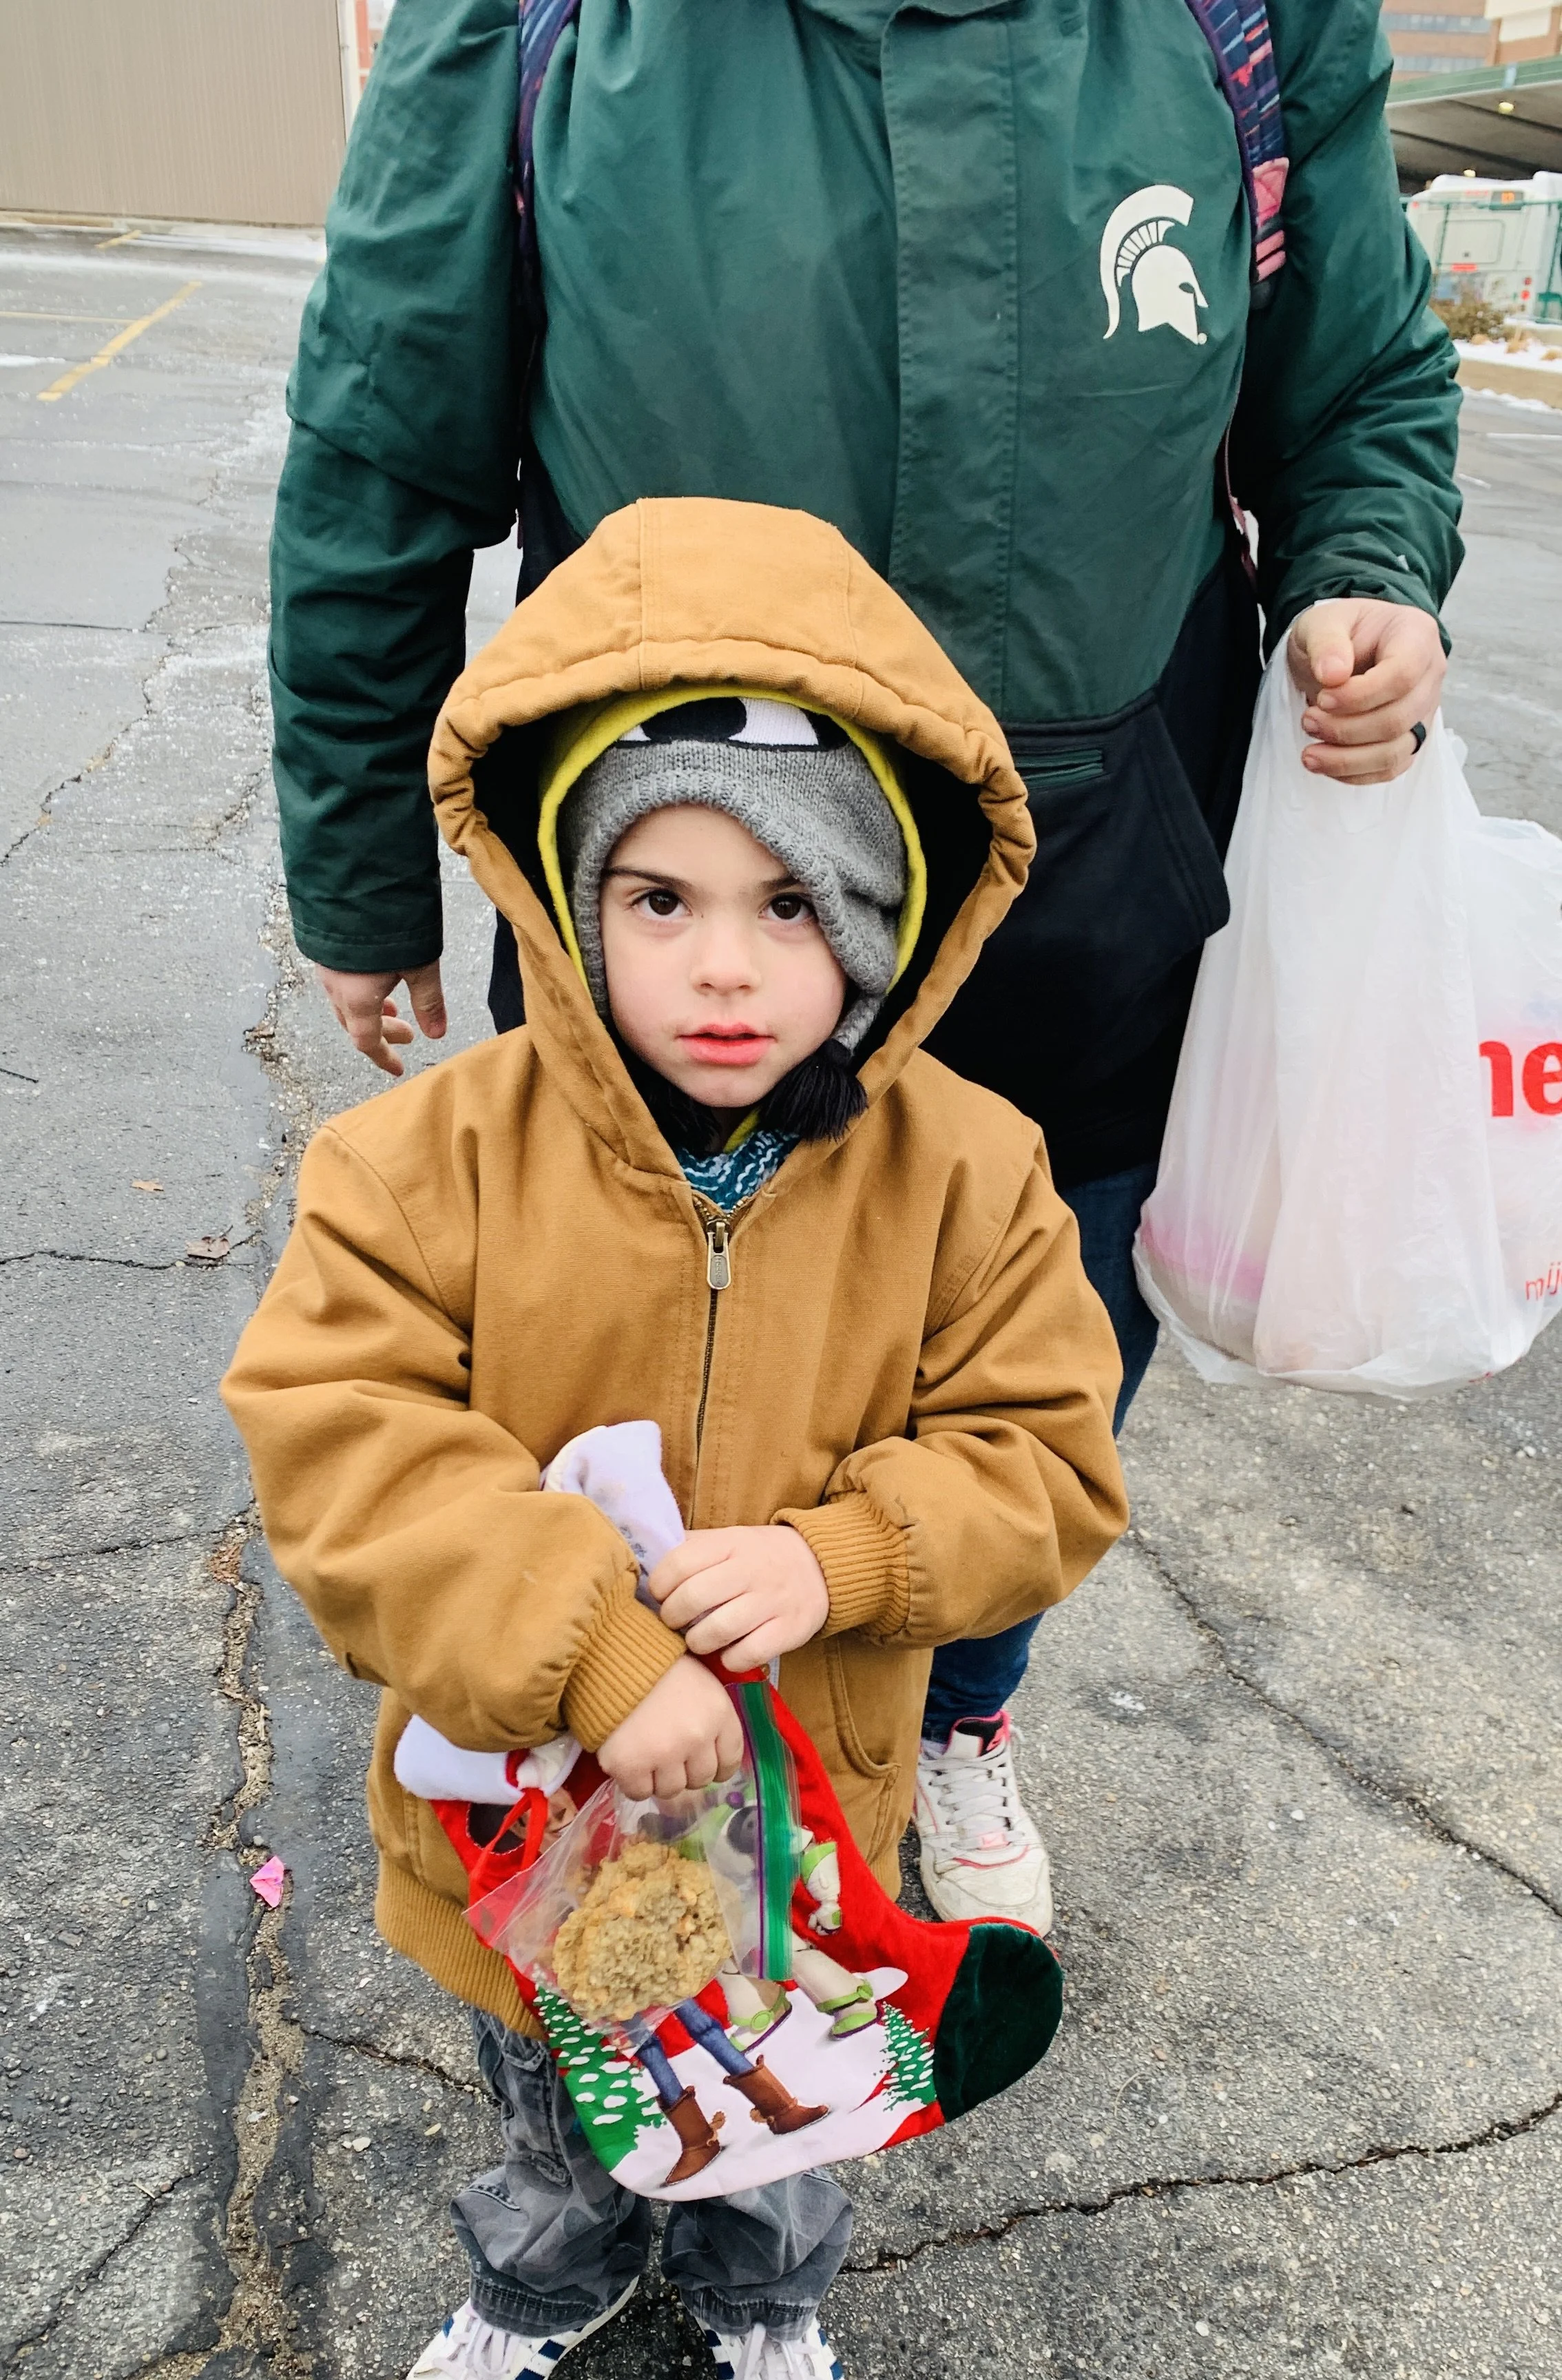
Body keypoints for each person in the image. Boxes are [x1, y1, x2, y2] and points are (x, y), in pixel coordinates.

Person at [266, 0, 1462, 1927]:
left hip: (1081, 886)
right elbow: (384, 444)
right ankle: (608, 1723)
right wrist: (359, 870)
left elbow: (1359, 388)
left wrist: (1362, 574)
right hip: (661, 879)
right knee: (613, 1335)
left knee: (1037, 1337)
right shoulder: (531, 28)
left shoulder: (1239, 18)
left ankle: (958, 1715)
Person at [223, 497, 1129, 2380]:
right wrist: (593, 1648)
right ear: (561, 890)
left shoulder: (970, 1171)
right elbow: (342, 1438)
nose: (725, 967)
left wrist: (846, 1555)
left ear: (891, 917)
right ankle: (535, 2290)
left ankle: (763, 2308)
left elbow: (1049, 1458)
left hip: (808, 1834)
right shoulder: (419, 1163)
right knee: (565, 2109)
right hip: (538, 1833)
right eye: (658, 898)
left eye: (793, 905)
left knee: (781, 2125)